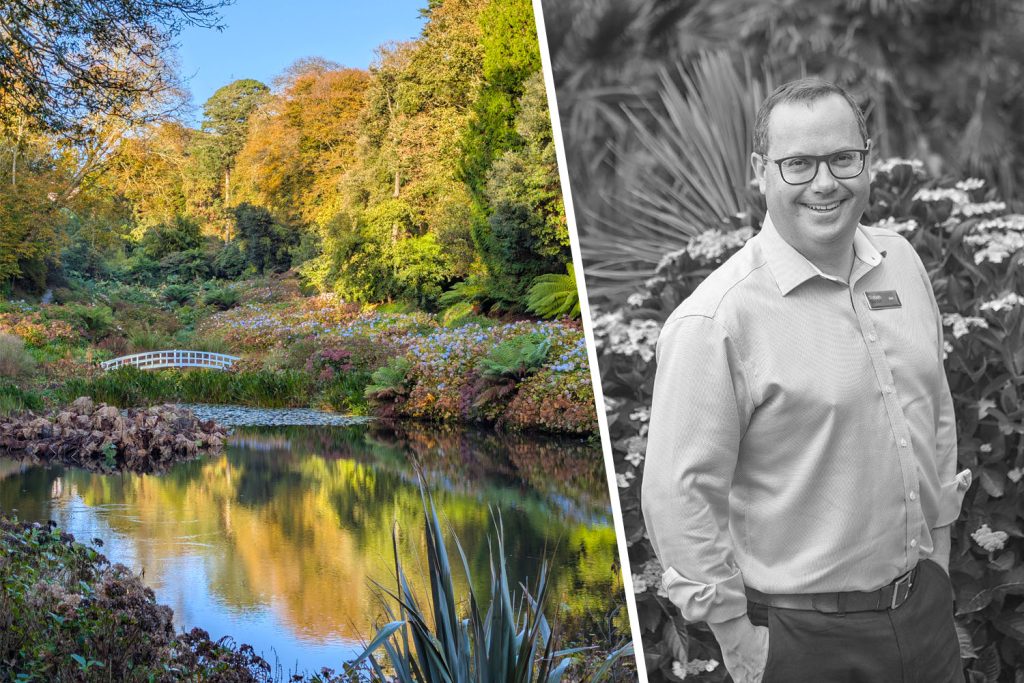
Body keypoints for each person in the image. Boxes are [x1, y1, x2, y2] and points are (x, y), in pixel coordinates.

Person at [641, 78, 971, 682]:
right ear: (761, 172)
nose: (826, 183)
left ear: (867, 160)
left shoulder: (902, 260)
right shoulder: (715, 321)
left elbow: (934, 411)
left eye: (843, 158)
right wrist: (738, 640)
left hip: (923, 613)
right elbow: (679, 496)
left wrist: (940, 561)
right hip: (801, 642)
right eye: (799, 164)